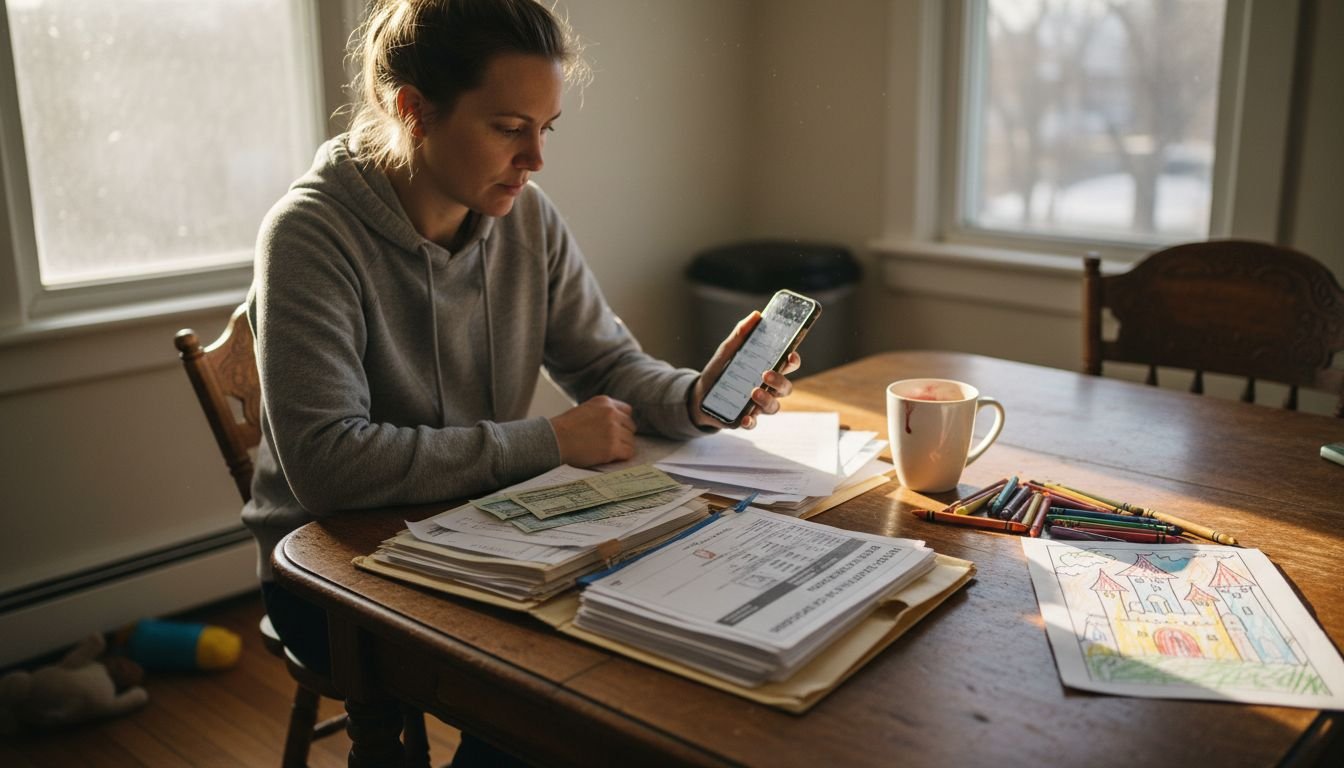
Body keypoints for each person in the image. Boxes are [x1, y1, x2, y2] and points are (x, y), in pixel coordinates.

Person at [245, 0, 801, 763]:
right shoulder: (310, 235)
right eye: (510, 128)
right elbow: (328, 465)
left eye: (546, 129)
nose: (536, 159)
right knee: (556, 691)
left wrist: (694, 397)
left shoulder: (526, 218)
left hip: (482, 528)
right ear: (415, 111)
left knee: (629, 656)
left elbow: (603, 361)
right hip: (334, 570)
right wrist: (545, 442)